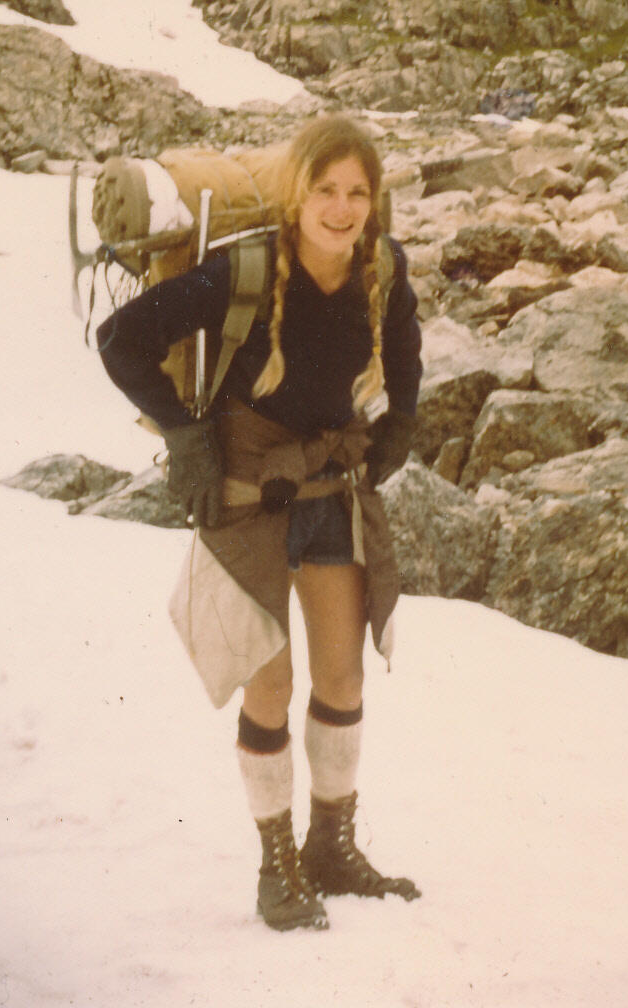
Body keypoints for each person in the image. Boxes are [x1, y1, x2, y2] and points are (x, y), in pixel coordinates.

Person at [96, 115, 423, 931]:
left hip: (332, 486)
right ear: (296, 195)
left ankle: (330, 848)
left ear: (374, 202)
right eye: (325, 191)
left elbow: (407, 355)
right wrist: (183, 432)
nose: (342, 209)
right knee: (270, 683)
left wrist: (400, 425)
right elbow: (121, 339)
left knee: (342, 679)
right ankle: (276, 861)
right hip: (246, 488)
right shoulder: (241, 269)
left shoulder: (383, 267)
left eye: (357, 193)